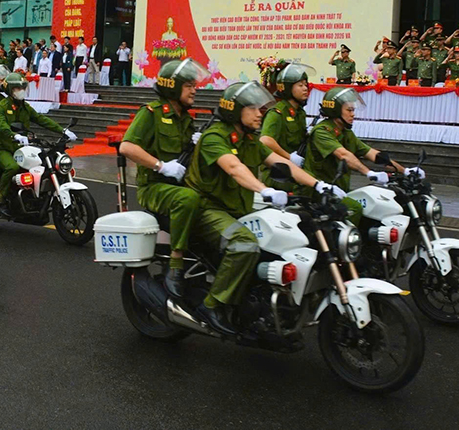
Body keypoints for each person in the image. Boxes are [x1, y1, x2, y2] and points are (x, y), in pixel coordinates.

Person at [185, 81, 342, 335]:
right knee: (244, 243)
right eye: (254, 108)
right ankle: (212, 305)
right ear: (235, 110)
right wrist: (265, 190)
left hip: (237, 208)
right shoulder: (215, 136)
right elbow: (234, 168)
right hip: (208, 209)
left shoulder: (249, 139)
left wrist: (320, 185)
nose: (261, 113)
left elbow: (279, 161)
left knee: (290, 230)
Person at [120, 58, 210, 297]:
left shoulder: (186, 119)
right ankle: (175, 267)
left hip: (179, 186)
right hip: (154, 187)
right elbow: (127, 147)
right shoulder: (152, 113)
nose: (194, 89)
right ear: (172, 86)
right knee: (187, 199)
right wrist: (161, 166)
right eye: (189, 85)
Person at [303, 87, 413, 226]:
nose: (353, 114)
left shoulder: (346, 132)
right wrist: (369, 173)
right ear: (336, 110)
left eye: (353, 110)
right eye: (349, 110)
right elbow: (344, 155)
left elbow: (372, 153)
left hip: (339, 190)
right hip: (320, 192)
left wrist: (405, 171)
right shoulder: (322, 132)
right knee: (354, 208)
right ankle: (345, 246)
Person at [0, 73, 76, 212]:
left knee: (41, 164)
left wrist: (63, 131)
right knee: (12, 167)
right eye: (17, 88)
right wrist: (14, 135)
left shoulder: (25, 107)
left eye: (22, 87)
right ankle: (1, 200)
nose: (21, 91)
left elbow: (41, 119)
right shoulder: (0, 107)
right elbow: (2, 125)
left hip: (22, 147)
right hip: (2, 148)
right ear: (10, 90)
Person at [260, 63, 311, 188]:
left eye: (306, 85)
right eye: (300, 85)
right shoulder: (277, 113)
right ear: (287, 88)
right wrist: (289, 157)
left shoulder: (300, 113)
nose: (305, 88)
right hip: (277, 172)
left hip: (295, 169)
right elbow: (265, 140)